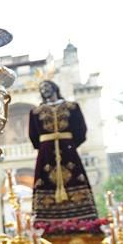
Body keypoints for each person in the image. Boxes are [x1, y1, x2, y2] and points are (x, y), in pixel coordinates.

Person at [28, 79, 98, 223]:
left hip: (68, 150)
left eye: (47, 86)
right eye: (41, 88)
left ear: (55, 87)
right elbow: (33, 135)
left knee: (75, 178)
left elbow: (81, 130)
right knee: (45, 181)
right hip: (46, 153)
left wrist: (70, 144)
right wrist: (44, 147)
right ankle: (47, 219)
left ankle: (81, 216)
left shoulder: (72, 107)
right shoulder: (35, 112)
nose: (44, 90)